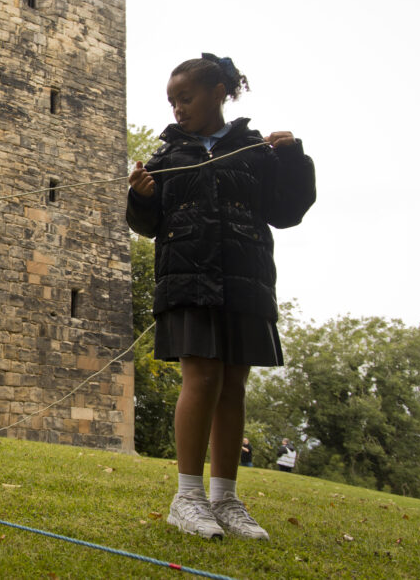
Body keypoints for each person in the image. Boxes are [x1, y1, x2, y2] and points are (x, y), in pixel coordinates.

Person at [127, 54, 316, 541]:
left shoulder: (255, 152)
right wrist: (143, 196)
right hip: (189, 279)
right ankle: (187, 496)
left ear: (219, 92)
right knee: (203, 375)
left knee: (233, 384)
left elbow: (288, 210)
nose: (178, 109)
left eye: (185, 98)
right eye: (171, 101)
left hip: (245, 278)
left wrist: (293, 157)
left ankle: (225, 499)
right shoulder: (166, 158)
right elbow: (148, 226)